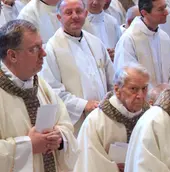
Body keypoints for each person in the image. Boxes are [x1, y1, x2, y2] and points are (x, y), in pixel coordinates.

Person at [0, 19, 77, 172]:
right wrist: (28, 146)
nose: (44, 53)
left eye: (41, 46)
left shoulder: (41, 84)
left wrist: (60, 138)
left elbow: (65, 124)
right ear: (12, 55)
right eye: (34, 49)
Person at [40, 0, 114, 136]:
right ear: (59, 17)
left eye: (79, 11)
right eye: (68, 12)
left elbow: (112, 79)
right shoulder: (52, 49)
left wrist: (110, 102)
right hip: (77, 123)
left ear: (85, 14)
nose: (75, 16)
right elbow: (52, 90)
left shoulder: (95, 42)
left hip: (103, 115)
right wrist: (83, 105)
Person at [74, 63, 150, 172]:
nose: (140, 95)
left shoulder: (151, 117)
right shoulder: (96, 121)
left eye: (144, 88)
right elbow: (89, 162)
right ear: (117, 90)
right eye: (133, 89)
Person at [114, 0, 170, 88]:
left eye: (165, 7)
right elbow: (127, 77)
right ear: (144, 13)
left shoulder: (164, 37)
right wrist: (153, 94)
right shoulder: (129, 39)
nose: (166, 12)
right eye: (160, 9)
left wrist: (168, 89)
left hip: (166, 97)